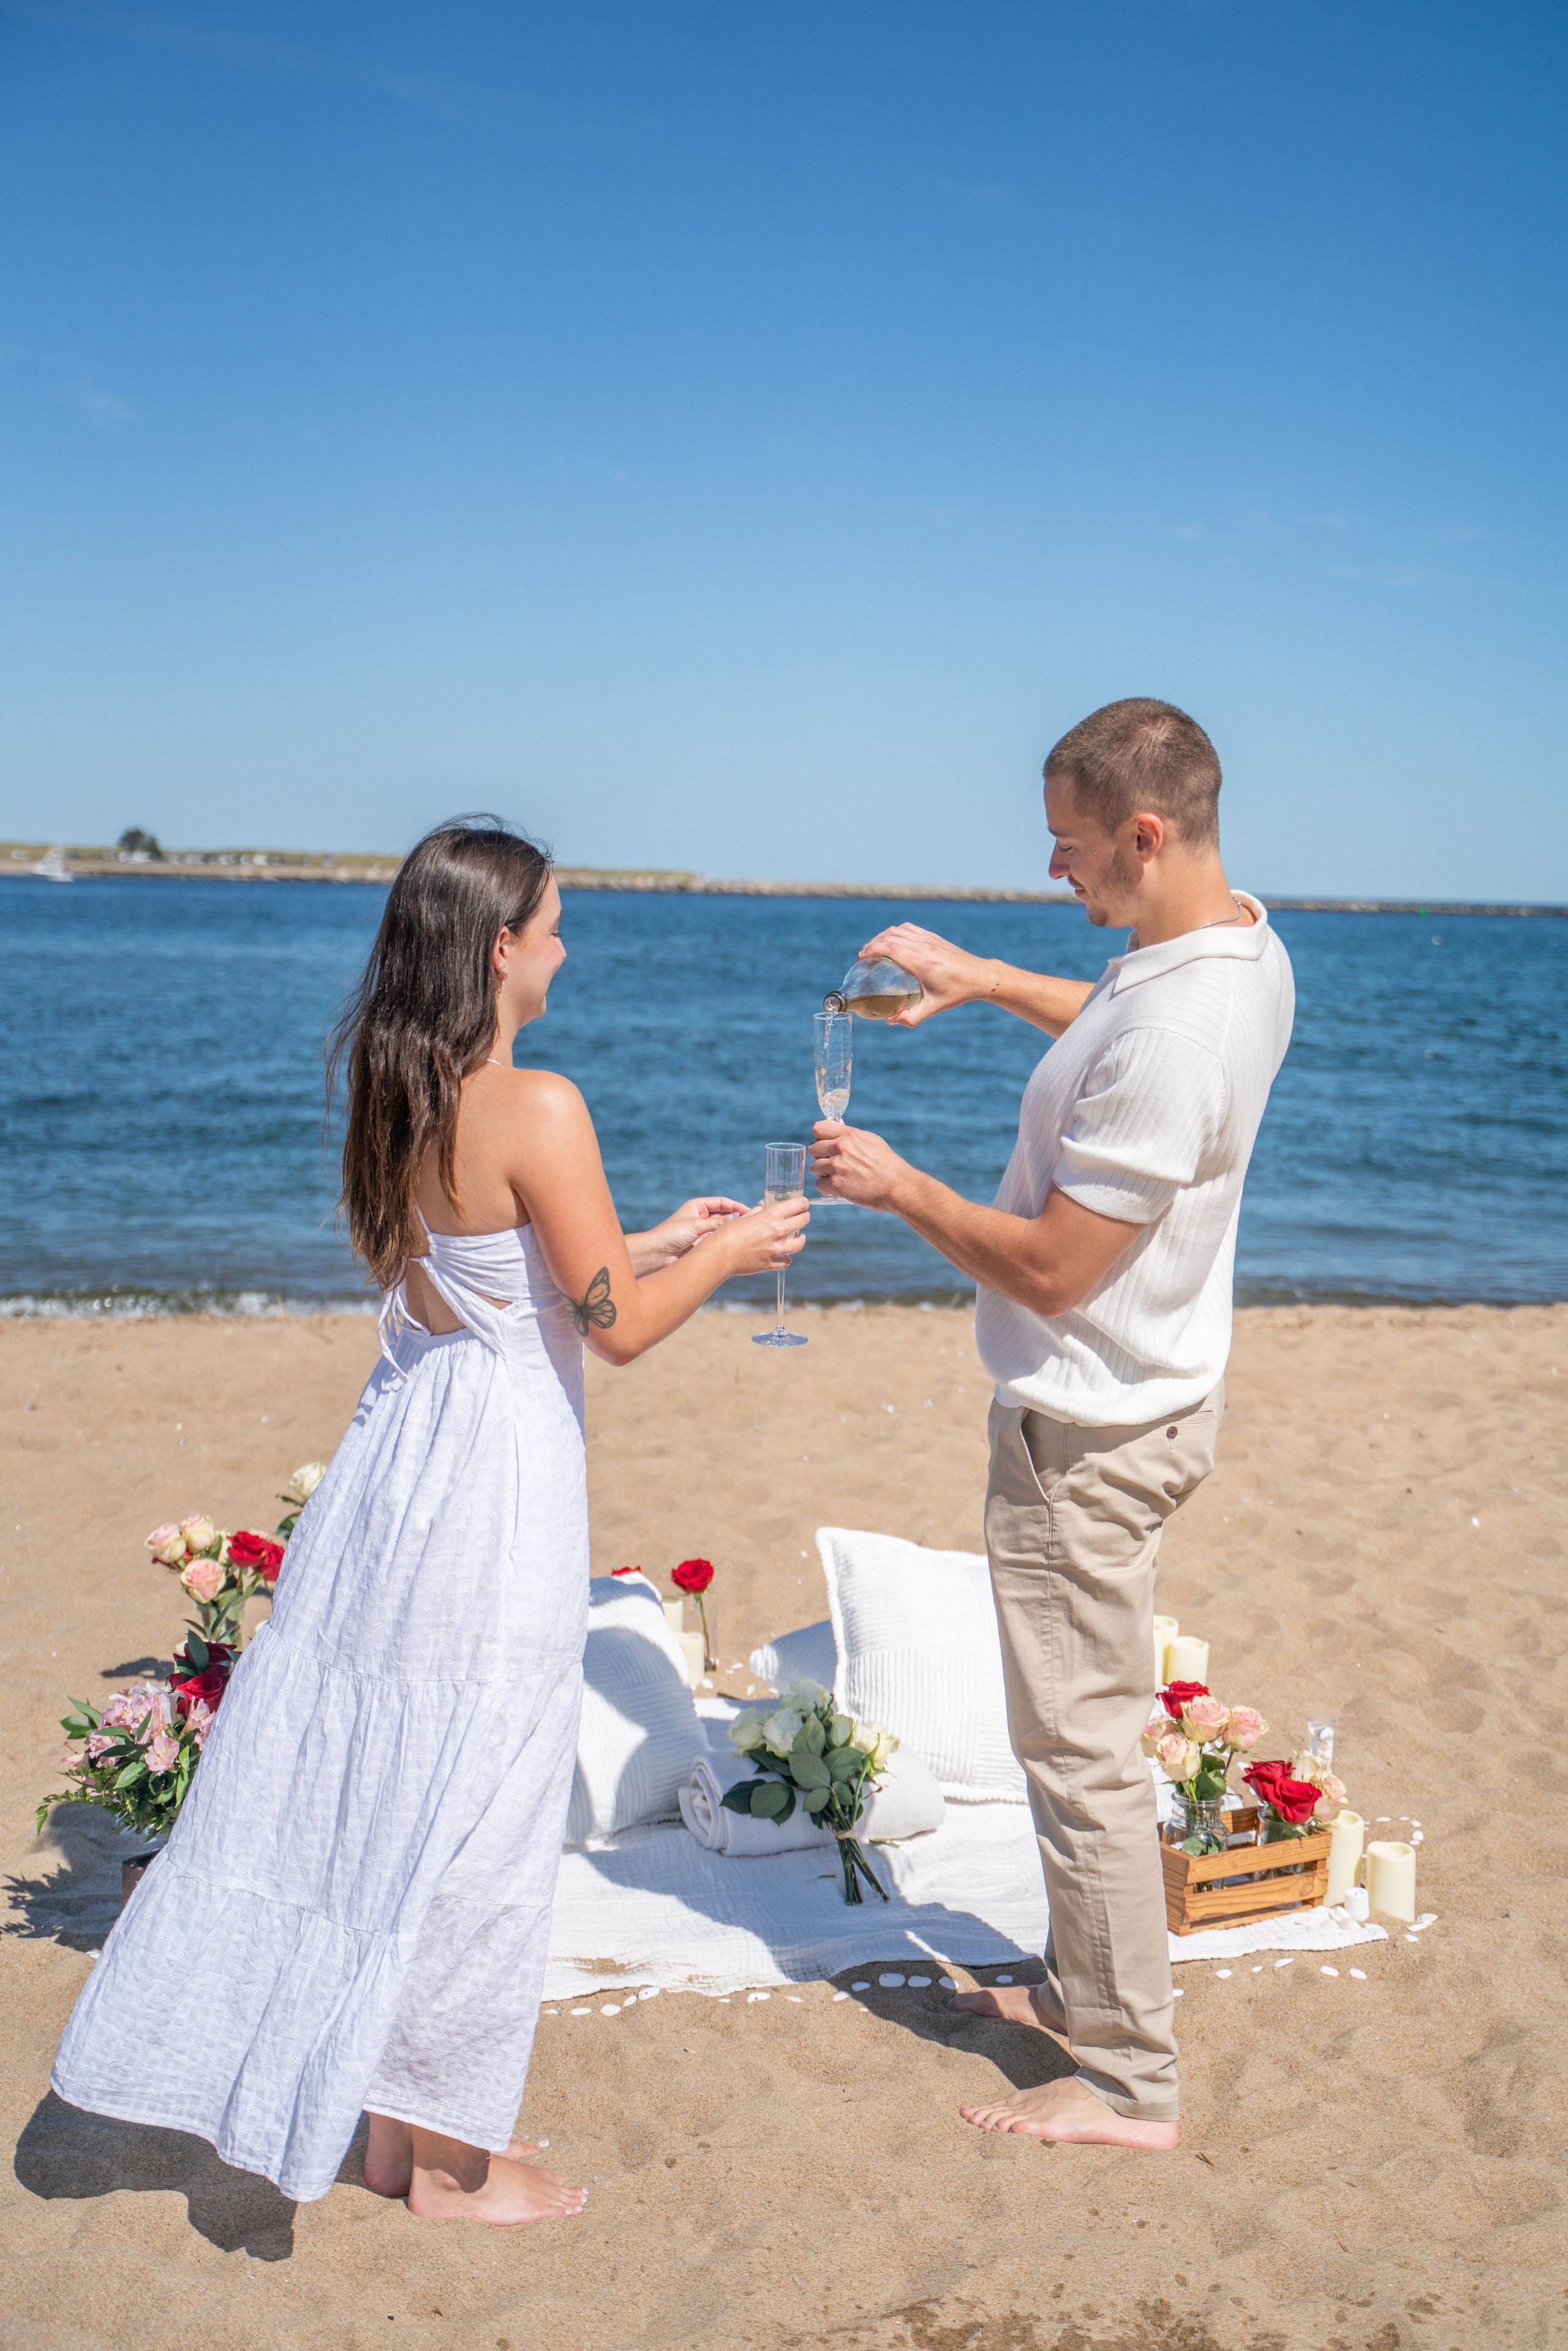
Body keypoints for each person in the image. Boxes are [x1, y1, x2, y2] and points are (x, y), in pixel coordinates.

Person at [51, 818, 809, 2223]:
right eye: (557, 924)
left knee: (407, 1787)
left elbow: (496, 1274)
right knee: (485, 1813)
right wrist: (727, 1255)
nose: (570, 947)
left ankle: (399, 2139)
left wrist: (645, 1236)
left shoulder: (397, 1082)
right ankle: (449, 2164)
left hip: (402, 1472)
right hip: (498, 1490)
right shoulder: (540, 1104)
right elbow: (618, 1333)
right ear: (501, 945)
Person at [810, 698, 1294, 2150]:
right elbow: (1113, 1011)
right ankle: (1083, 1995)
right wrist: (972, 979)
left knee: (1076, 1750)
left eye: (1068, 846)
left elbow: (1047, 1265)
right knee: (1071, 1734)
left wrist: (899, 1188)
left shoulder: (1183, 1027)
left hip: (1090, 1431)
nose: (1053, 871)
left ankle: (1128, 2078)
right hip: (1149, 1390)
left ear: (1143, 836)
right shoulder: (1232, 942)